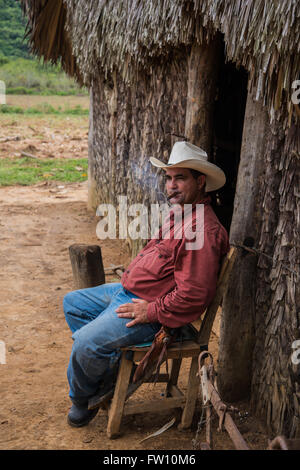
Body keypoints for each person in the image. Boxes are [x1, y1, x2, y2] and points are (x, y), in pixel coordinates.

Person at [63, 141, 230, 427]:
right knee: (73, 303)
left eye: (180, 178)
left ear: (200, 182)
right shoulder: (180, 214)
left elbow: (193, 295)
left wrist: (150, 311)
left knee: (86, 345)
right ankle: (109, 371)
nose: (171, 186)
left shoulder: (202, 230)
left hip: (153, 312)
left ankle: (84, 398)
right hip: (127, 292)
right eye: (168, 178)